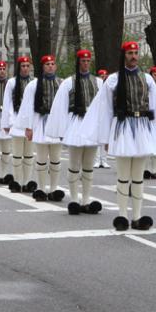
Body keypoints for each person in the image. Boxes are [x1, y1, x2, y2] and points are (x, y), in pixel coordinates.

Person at [80, 41, 156, 231]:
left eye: (136, 52)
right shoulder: (113, 80)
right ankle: (122, 216)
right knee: (123, 176)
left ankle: (137, 216)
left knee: (138, 177)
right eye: (130, 53)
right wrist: (104, 137)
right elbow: (104, 110)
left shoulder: (147, 79)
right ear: (124, 55)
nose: (134, 56)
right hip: (122, 127)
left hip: (143, 127)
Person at [46, 49, 104, 214]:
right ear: (78, 62)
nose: (86, 64)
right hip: (76, 124)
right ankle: (74, 199)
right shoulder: (68, 82)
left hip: (91, 125)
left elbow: (103, 107)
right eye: (83, 61)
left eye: (88, 61)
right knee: (74, 165)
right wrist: (62, 130)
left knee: (88, 166)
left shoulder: (98, 82)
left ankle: (86, 199)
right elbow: (60, 107)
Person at [14, 55, 64, 202]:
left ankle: (54, 189)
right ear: (42, 67)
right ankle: (42, 189)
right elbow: (27, 107)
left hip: (56, 123)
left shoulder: (61, 83)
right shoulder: (34, 85)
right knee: (41, 158)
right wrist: (28, 128)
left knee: (55, 159)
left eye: (52, 64)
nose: (50, 66)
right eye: (47, 64)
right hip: (40, 122)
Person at [2, 56, 37, 193]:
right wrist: (8, 122)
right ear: (19, 67)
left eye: (28, 66)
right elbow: (7, 104)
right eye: (23, 66)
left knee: (28, 155)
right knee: (17, 155)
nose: (25, 68)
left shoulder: (34, 82)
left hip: (30, 122)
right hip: (16, 121)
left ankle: (27, 182)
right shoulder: (11, 82)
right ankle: (17, 181)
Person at [94, 69, 112, 169]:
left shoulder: (109, 88)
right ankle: (97, 160)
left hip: (105, 115)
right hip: (97, 115)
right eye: (102, 76)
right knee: (97, 140)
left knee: (105, 139)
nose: (103, 77)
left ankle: (104, 160)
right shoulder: (97, 87)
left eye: (105, 75)